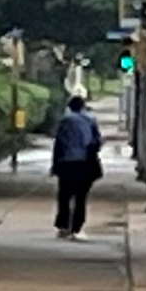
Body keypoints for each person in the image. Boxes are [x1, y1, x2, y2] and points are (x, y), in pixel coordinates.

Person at [49, 93, 106, 239]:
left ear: (69, 107)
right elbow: (98, 142)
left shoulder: (65, 121)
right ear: (83, 106)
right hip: (85, 163)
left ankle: (63, 225)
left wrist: (54, 164)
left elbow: (59, 144)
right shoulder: (91, 120)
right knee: (81, 197)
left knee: (64, 195)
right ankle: (77, 227)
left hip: (67, 162)